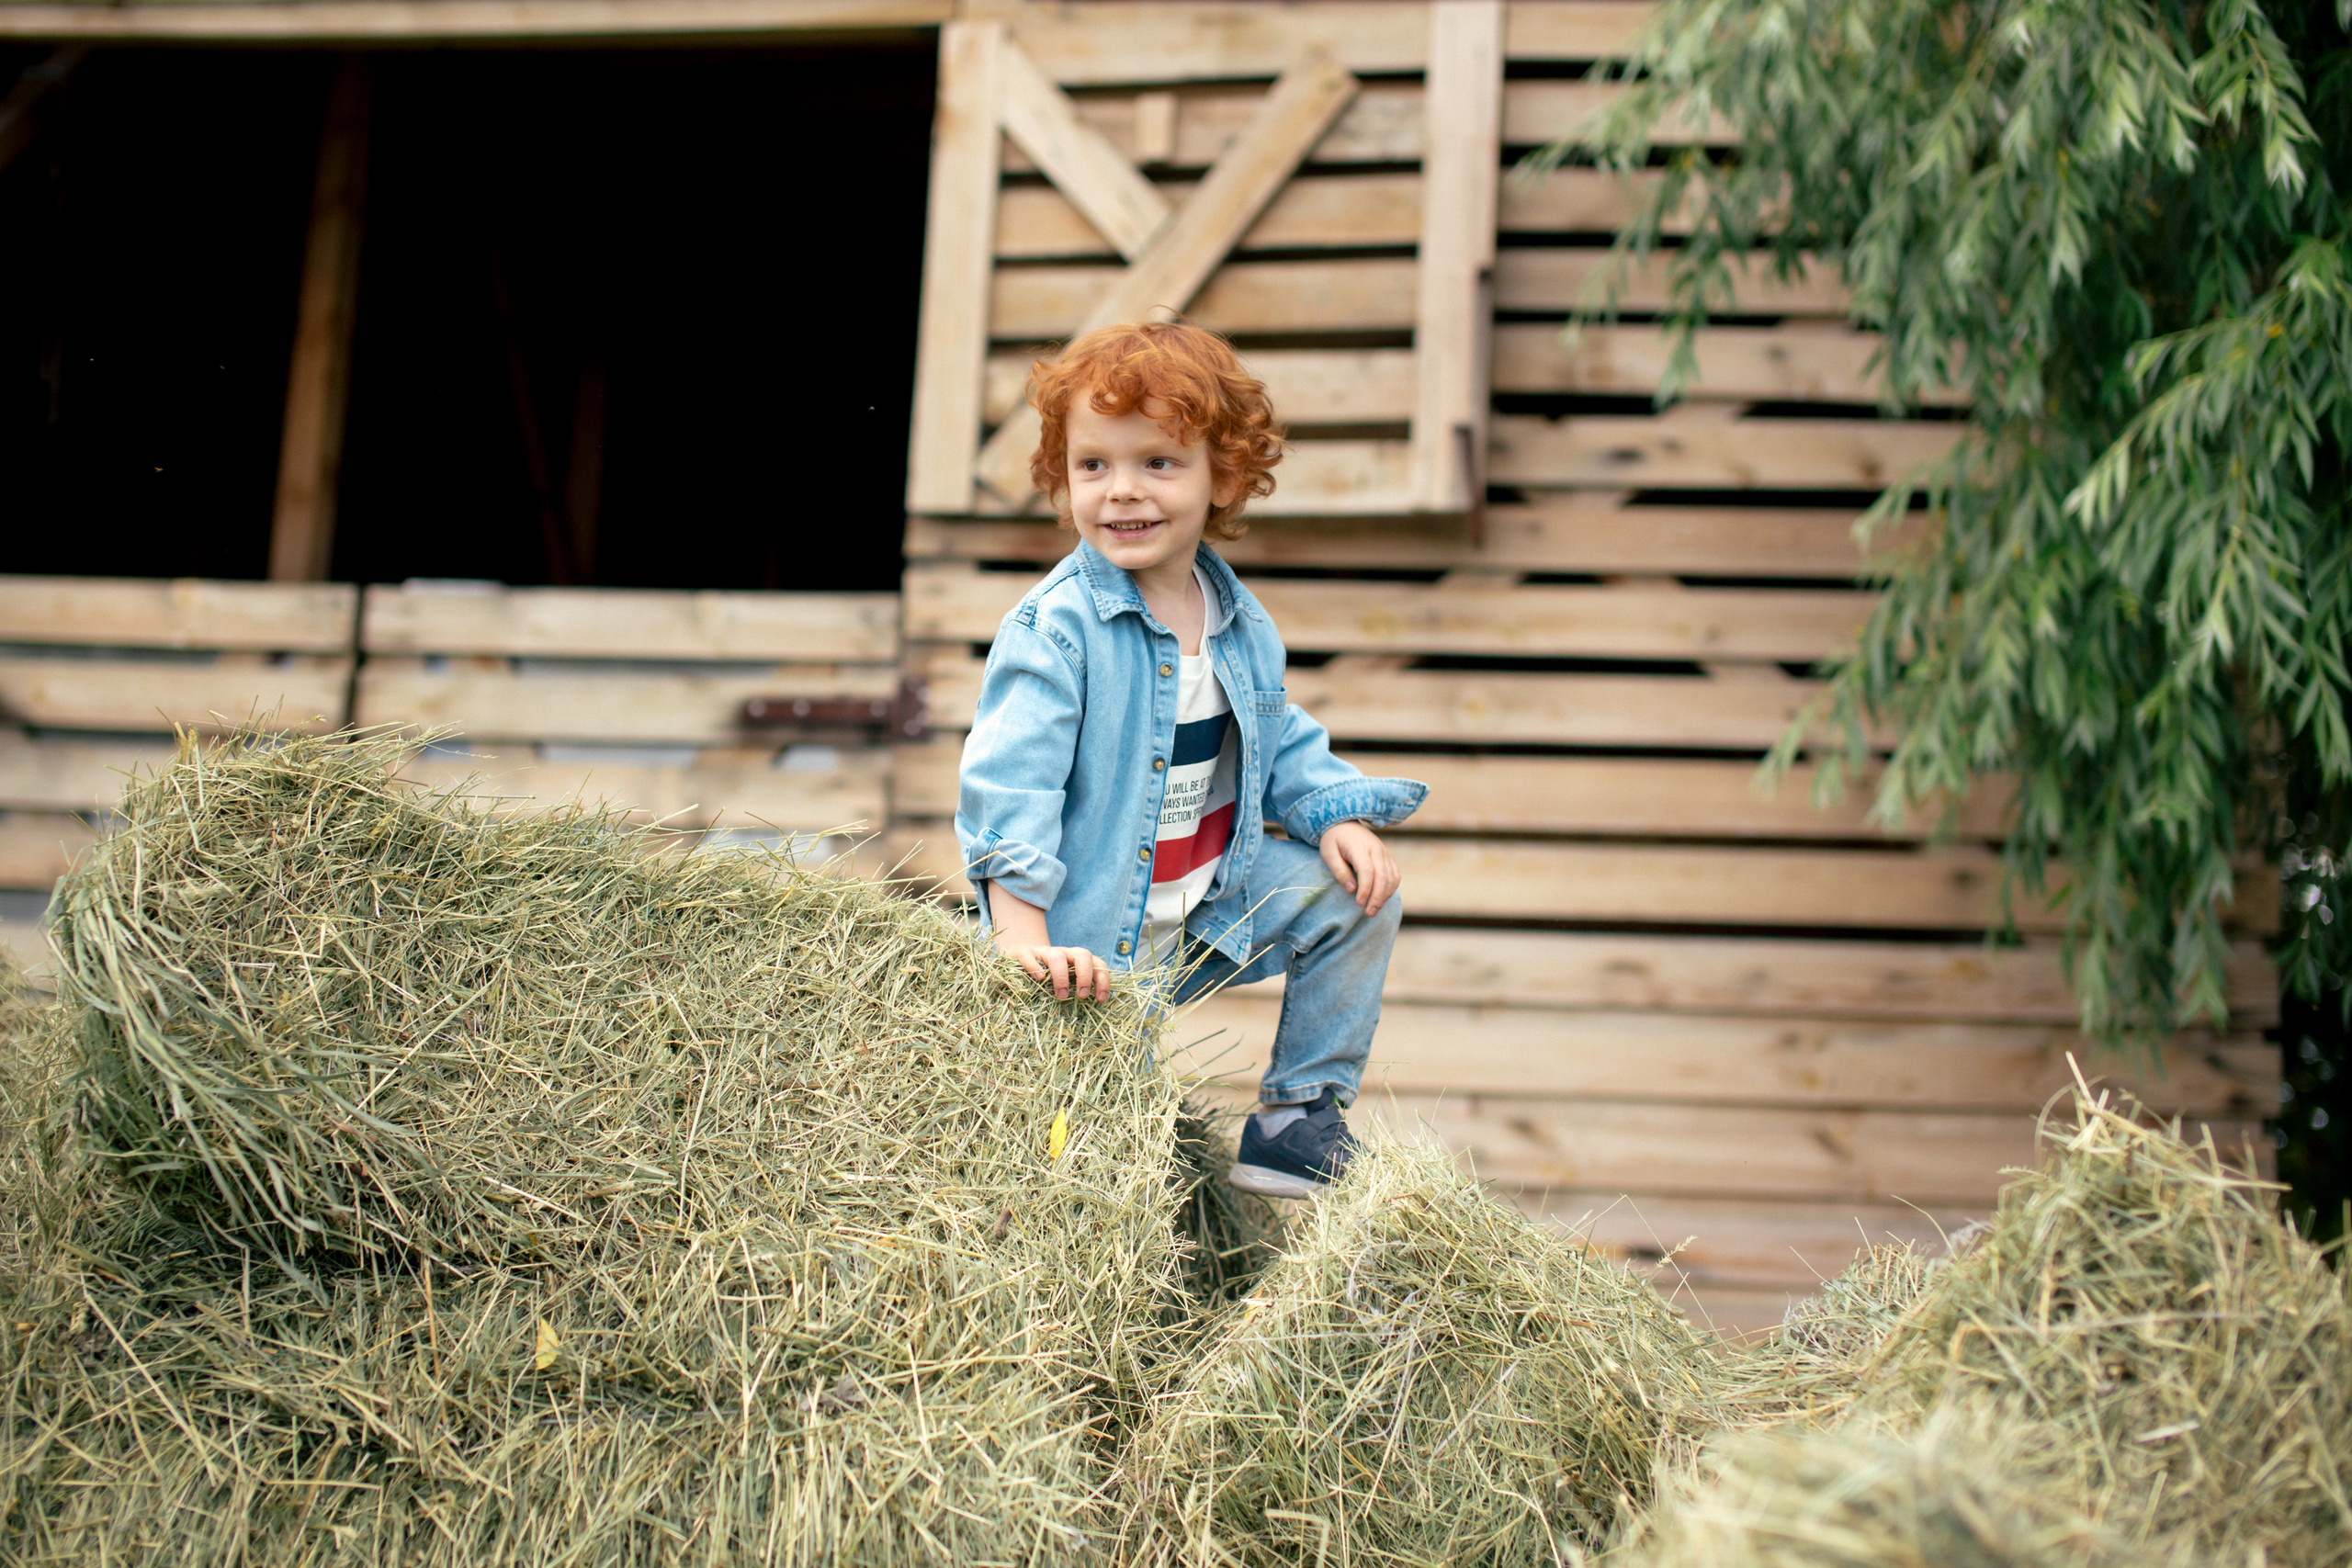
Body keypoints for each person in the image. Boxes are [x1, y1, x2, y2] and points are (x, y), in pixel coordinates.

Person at [955, 320, 1426, 1198]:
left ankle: (1294, 1121)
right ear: (1065, 478)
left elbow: (1277, 731)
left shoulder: (1239, 622)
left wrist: (1336, 813)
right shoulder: (1057, 630)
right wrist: (1021, 939)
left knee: (1351, 901)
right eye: (1095, 465)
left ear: (1226, 476)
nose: (1122, 492)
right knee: (1081, 1159)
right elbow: (1009, 782)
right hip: (1091, 948)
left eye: (1158, 464)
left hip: (1203, 912)